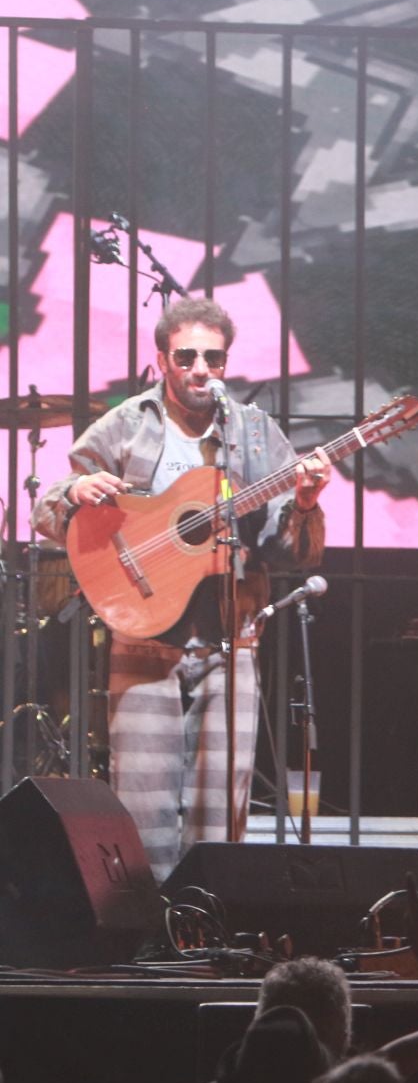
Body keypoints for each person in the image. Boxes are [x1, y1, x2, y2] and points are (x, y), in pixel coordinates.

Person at [32, 297, 331, 878]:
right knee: (141, 804)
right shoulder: (127, 422)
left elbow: (286, 551)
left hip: (231, 641)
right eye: (187, 356)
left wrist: (303, 504)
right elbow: (47, 510)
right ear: (163, 360)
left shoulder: (253, 432)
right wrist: (75, 491)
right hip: (143, 635)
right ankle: (145, 936)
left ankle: (206, 932)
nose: (201, 369)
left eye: (213, 358)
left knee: (221, 805)